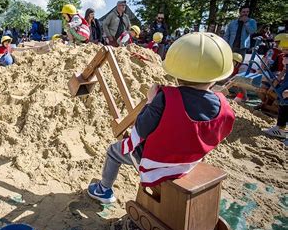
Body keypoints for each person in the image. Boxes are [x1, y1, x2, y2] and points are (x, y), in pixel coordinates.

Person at [87, 32, 235, 203]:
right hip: (190, 161)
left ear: (176, 72)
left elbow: (141, 128)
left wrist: (150, 101)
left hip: (155, 161)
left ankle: (103, 189)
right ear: (217, 77)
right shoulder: (224, 106)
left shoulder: (166, 98)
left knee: (114, 151)